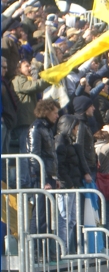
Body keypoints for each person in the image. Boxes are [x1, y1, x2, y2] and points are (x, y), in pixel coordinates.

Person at [12, 59, 50, 188]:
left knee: (29, 151)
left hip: (29, 121)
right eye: (26, 66)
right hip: (23, 122)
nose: (29, 68)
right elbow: (31, 87)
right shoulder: (18, 79)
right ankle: (23, 180)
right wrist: (48, 79)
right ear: (19, 68)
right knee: (25, 151)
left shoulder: (27, 79)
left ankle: (28, 179)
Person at [28, 99, 61, 240]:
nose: (57, 115)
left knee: (47, 214)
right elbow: (34, 156)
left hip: (49, 176)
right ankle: (36, 250)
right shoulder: (36, 128)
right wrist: (43, 180)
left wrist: (55, 177)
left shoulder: (47, 128)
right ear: (46, 112)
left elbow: (51, 156)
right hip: (42, 178)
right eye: (55, 112)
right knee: (40, 214)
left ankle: (43, 249)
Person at [54, 114, 82, 253]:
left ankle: (65, 250)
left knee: (71, 220)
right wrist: (69, 183)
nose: (77, 130)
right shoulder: (60, 140)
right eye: (75, 127)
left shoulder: (68, 141)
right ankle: (61, 250)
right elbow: (60, 166)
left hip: (72, 185)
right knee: (64, 219)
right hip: (66, 186)